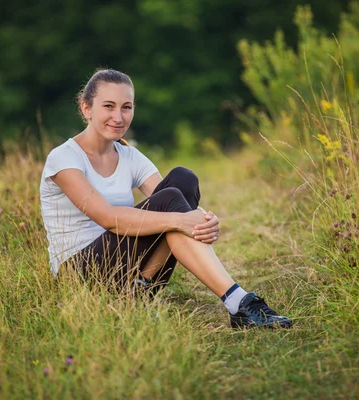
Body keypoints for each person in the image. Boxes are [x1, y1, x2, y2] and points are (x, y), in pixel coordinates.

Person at [39, 68, 292, 329]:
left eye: (126, 107)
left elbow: (176, 201)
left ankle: (138, 291)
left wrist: (203, 219)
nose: (118, 117)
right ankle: (238, 301)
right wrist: (183, 220)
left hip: (124, 266)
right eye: (108, 106)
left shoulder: (129, 156)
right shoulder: (65, 157)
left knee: (184, 180)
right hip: (79, 273)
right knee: (172, 205)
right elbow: (107, 218)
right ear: (86, 109)